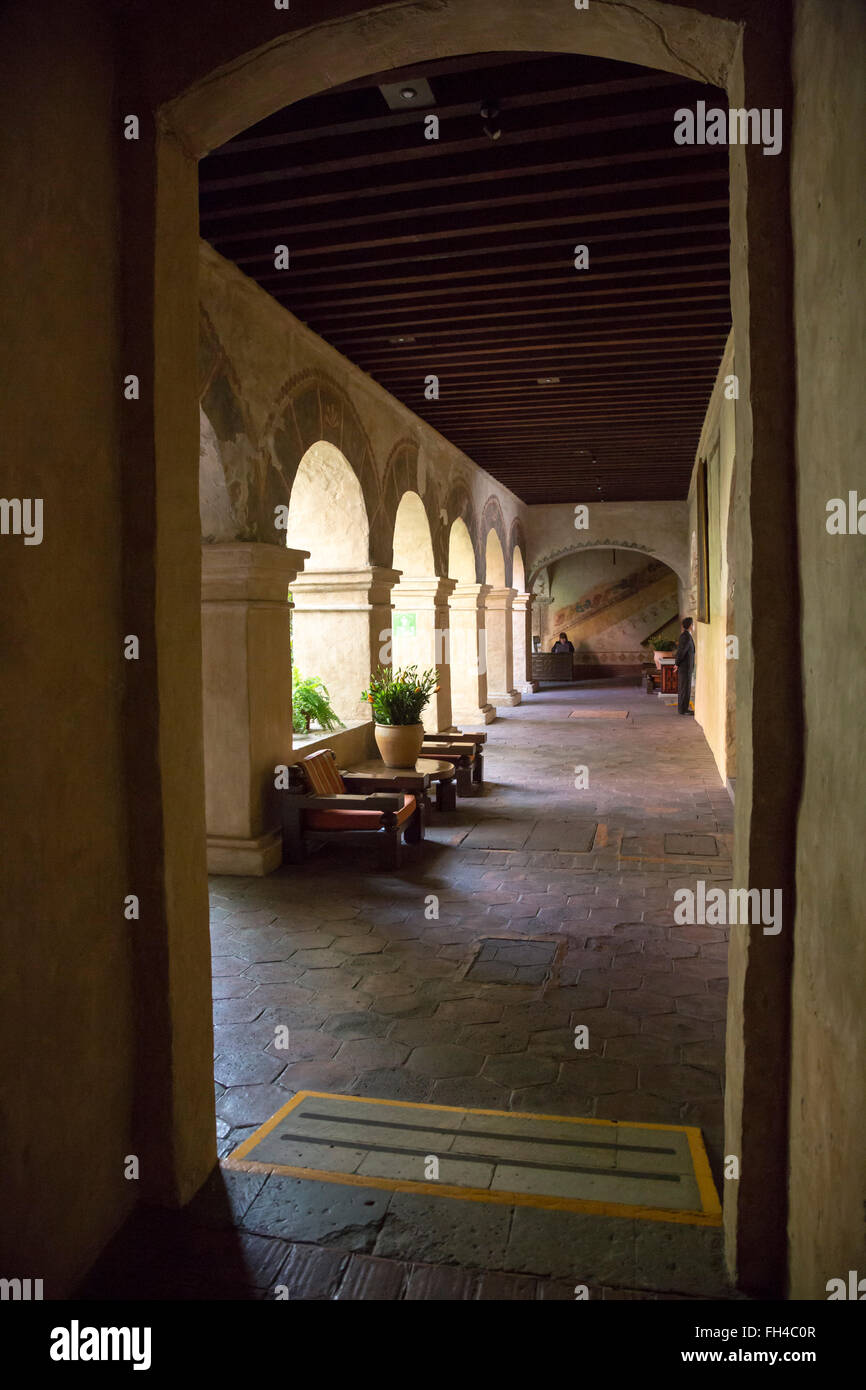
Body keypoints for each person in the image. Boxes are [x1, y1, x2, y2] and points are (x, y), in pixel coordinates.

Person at [674, 616, 695, 715]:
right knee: (684, 689)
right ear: (690, 626)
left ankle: (683, 709)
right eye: (693, 624)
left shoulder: (687, 636)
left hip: (686, 667)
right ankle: (683, 709)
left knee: (685, 688)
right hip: (685, 667)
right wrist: (677, 663)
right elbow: (681, 652)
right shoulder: (685, 637)